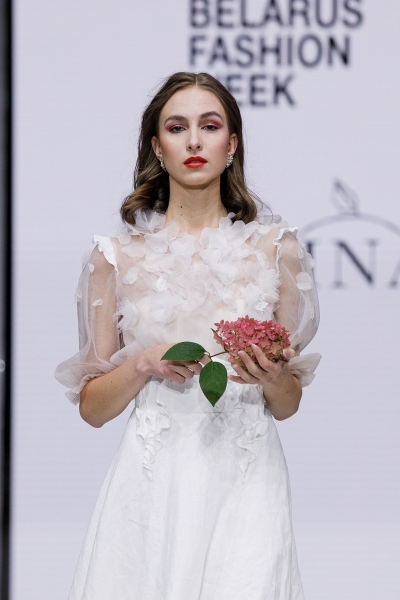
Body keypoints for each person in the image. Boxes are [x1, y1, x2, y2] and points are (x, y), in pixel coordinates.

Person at [55, 71, 321, 600]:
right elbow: (93, 410)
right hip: (152, 489)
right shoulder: (114, 259)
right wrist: (143, 364)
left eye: (210, 126)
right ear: (158, 147)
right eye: (177, 128)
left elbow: (288, 404)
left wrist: (270, 375)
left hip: (247, 481)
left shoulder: (277, 251)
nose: (194, 141)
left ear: (232, 144)